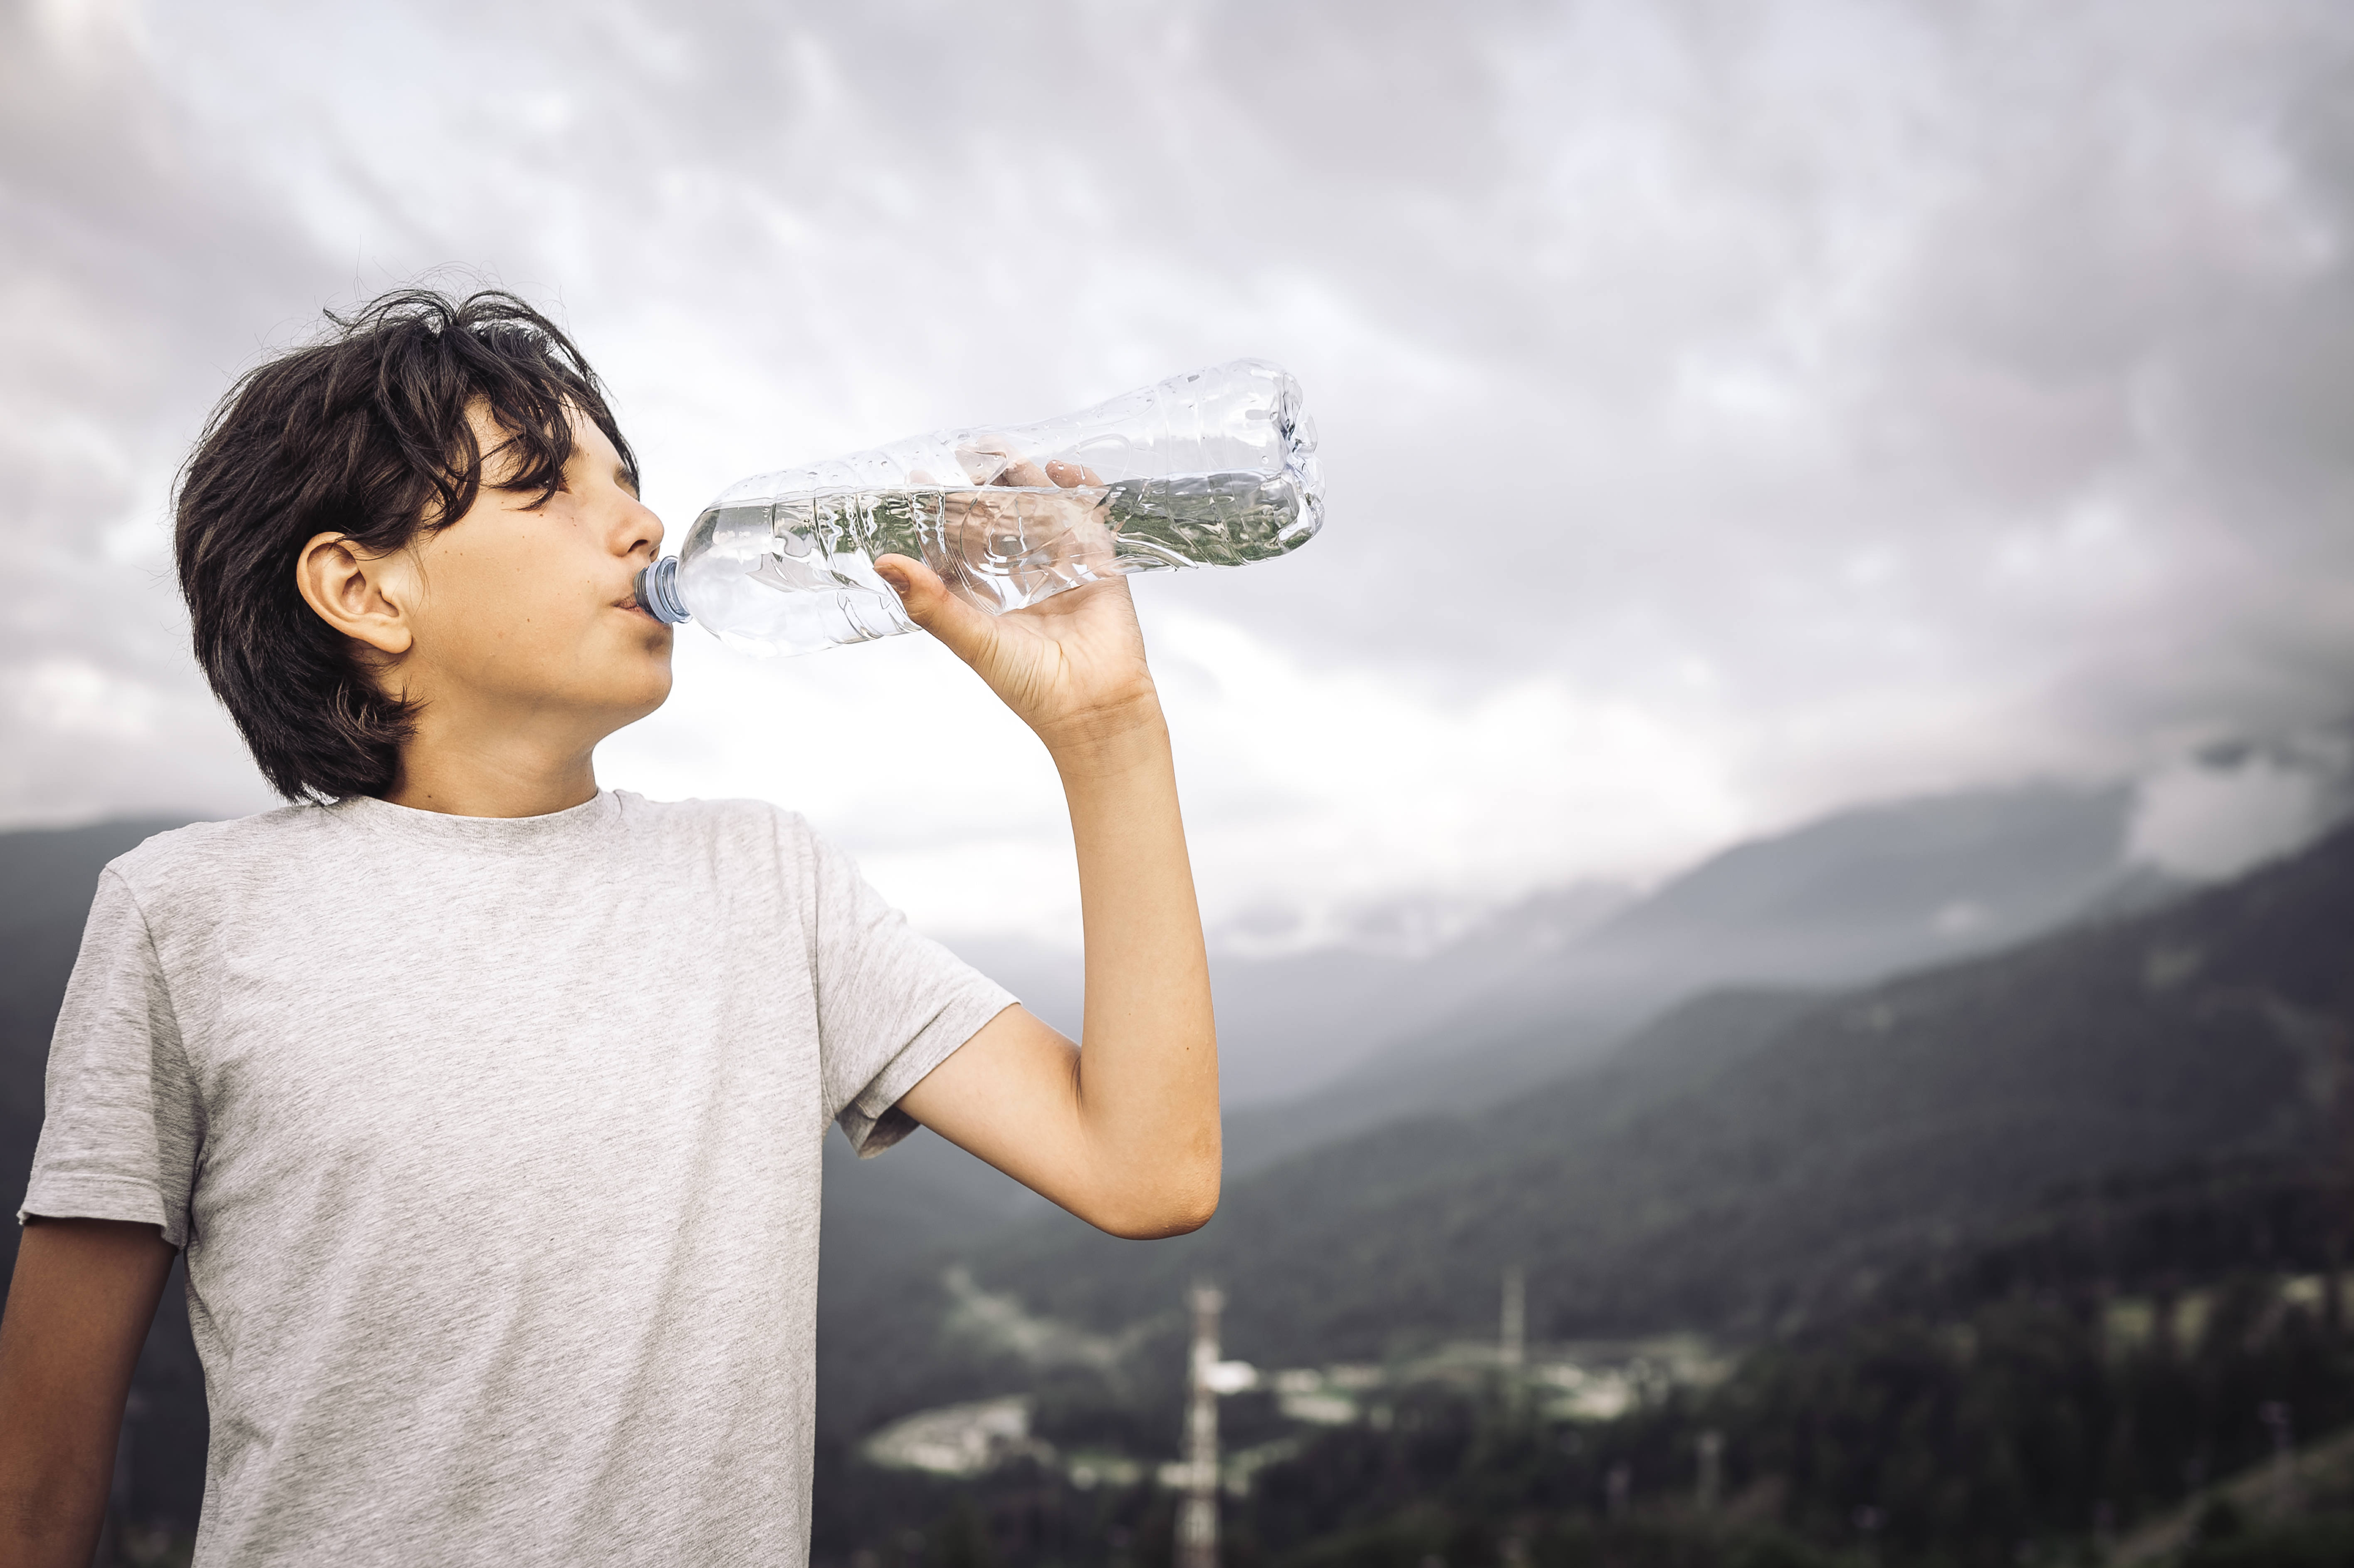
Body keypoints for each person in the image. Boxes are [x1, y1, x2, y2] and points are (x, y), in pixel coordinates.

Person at [0, 290, 1220, 1566]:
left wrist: (1107, 725)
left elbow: (1146, 1168)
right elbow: (38, 1487)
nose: (640, 523)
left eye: (626, 478)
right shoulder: (184, 917)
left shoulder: (764, 880)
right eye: (544, 485)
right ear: (360, 587)